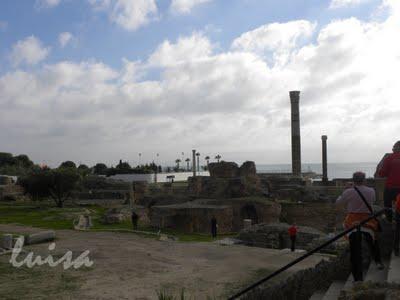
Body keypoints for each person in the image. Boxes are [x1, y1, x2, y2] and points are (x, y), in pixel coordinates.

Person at [336, 172, 384, 280]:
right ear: (364, 180)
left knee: (355, 250)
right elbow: (373, 200)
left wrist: (345, 190)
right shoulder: (371, 191)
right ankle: (378, 261)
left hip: (352, 221)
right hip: (368, 220)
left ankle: (357, 278)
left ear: (353, 180)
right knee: (373, 241)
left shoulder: (348, 192)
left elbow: (338, 203)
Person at [376, 141, 400, 255]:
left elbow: (381, 173)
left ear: (395, 148)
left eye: (393, 147)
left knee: (387, 206)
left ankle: (390, 221)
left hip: (391, 188)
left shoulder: (389, 158)